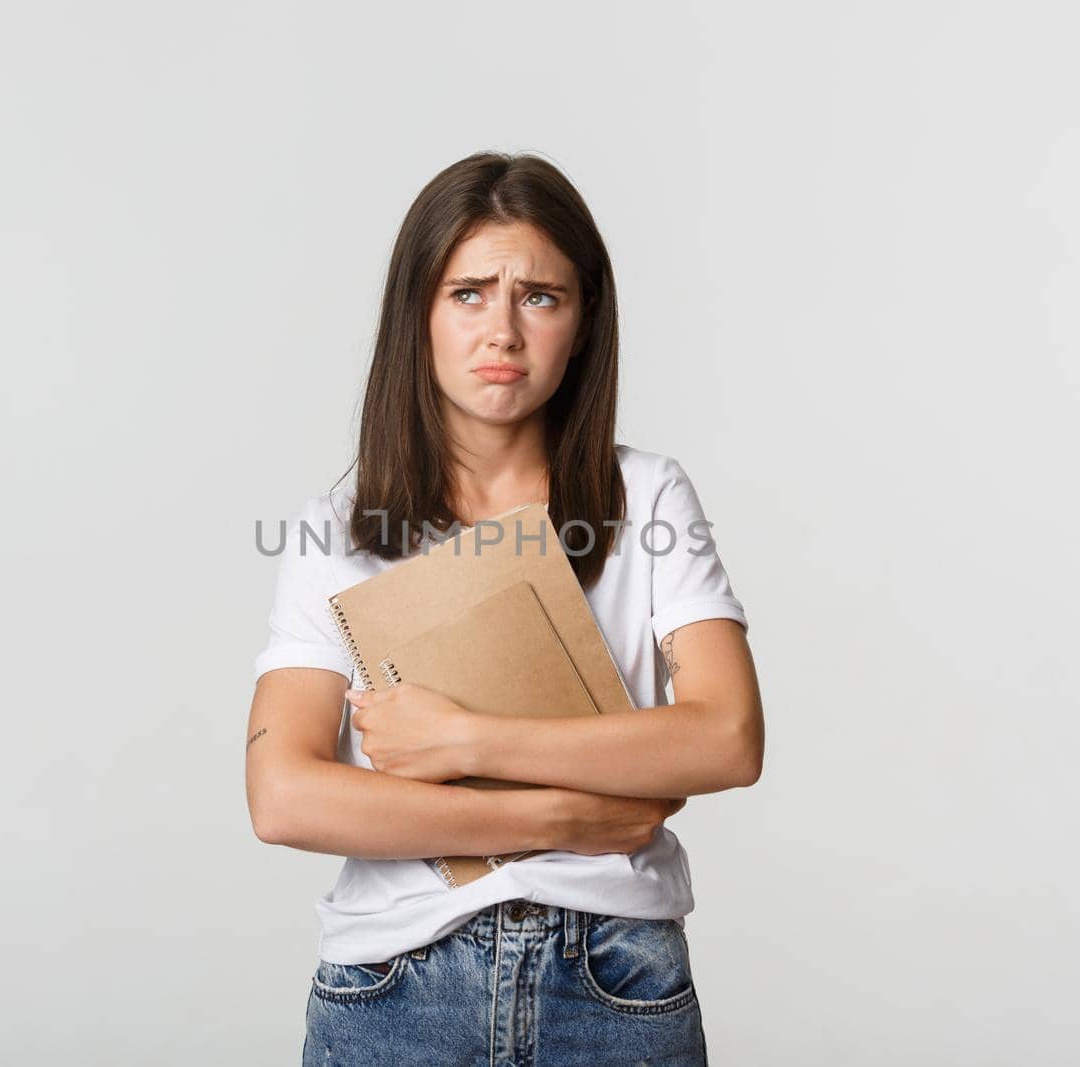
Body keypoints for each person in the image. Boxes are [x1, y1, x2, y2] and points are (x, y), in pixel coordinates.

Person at [246, 150, 764, 1066]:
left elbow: (726, 737)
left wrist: (466, 743)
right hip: (395, 987)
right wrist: (563, 817)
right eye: (469, 292)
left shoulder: (645, 497)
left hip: (615, 983)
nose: (504, 332)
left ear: (583, 320)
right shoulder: (335, 528)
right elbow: (283, 795)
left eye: (540, 296)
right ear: (419, 313)